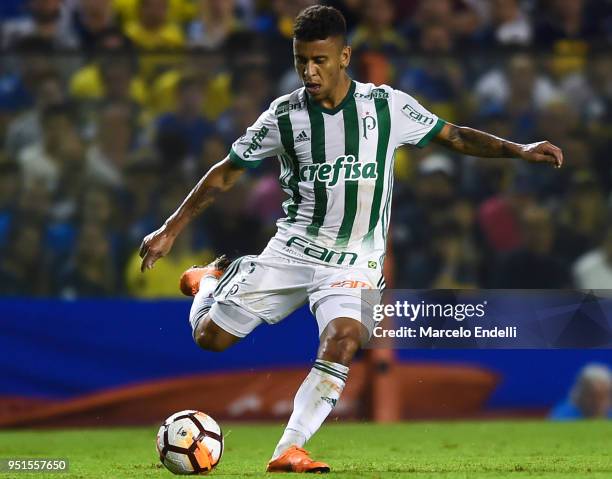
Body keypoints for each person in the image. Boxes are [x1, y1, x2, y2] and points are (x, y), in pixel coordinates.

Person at [139, 6, 563, 473]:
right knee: (210, 340)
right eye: (301, 60)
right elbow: (226, 174)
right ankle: (209, 283)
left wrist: (519, 150)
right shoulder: (283, 116)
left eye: (319, 60)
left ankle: (288, 449)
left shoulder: (387, 107)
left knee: (343, 339)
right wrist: (170, 228)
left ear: (344, 56)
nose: (309, 71)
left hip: (354, 263)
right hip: (292, 252)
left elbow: (456, 137)